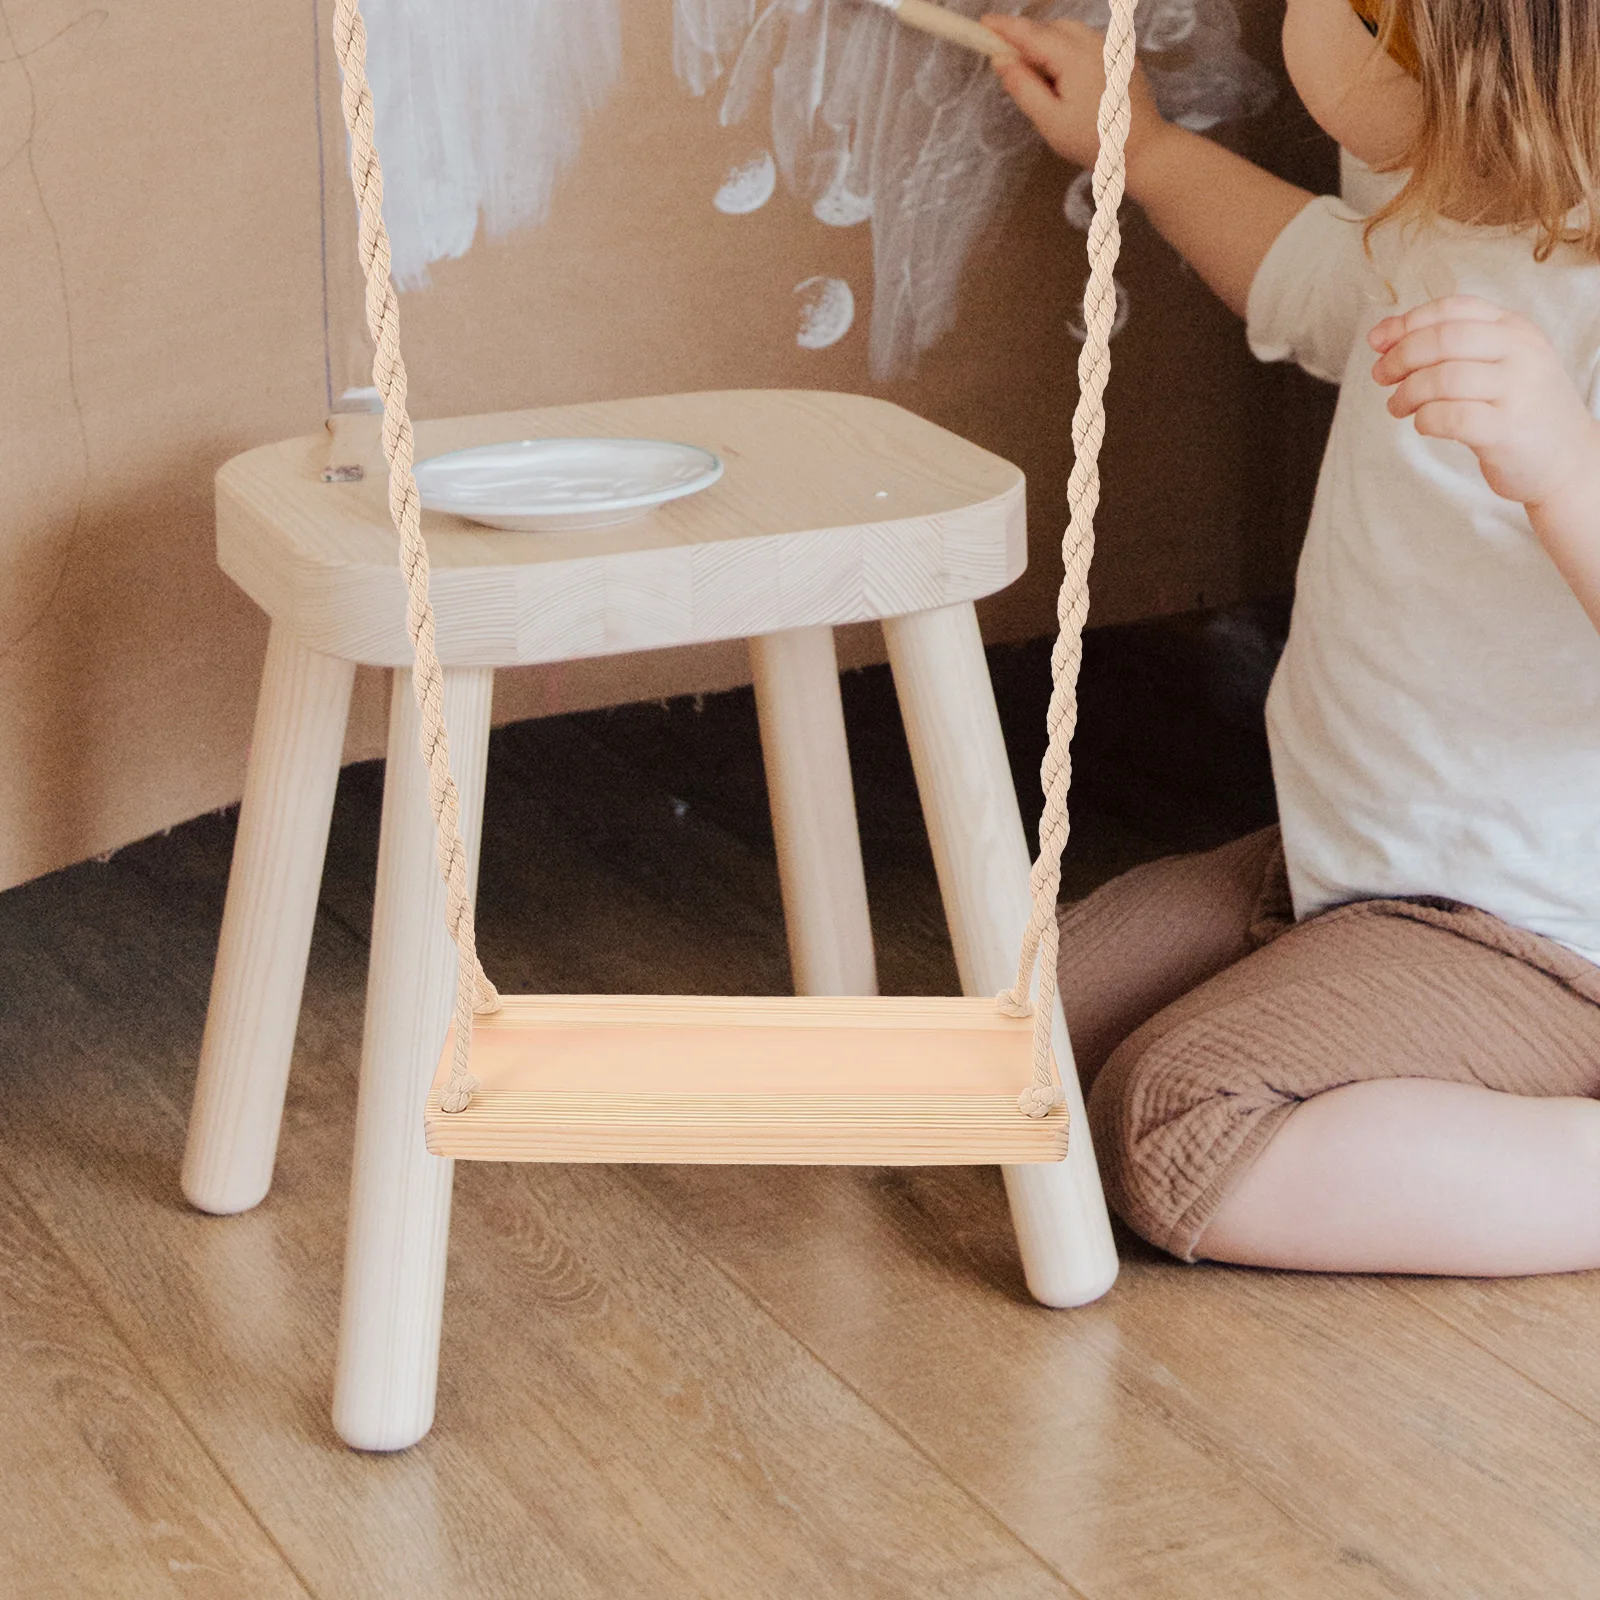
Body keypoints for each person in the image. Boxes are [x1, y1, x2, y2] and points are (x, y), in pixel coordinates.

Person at [981, 0, 1600, 1275]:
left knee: (1175, 1126)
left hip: (1540, 937)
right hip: (1346, 858)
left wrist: (1564, 468)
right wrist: (1136, 148)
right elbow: (1309, 274)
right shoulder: (1443, 211)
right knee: (1001, 1033)